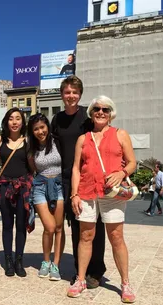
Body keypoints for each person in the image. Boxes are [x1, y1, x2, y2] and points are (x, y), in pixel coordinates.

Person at [67, 95, 137, 303]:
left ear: (110, 114)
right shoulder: (83, 138)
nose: (100, 112)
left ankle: (125, 283)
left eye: (105, 109)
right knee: (86, 237)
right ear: (91, 112)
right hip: (87, 191)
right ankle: (80, 279)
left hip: (111, 193)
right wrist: (74, 194)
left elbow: (132, 162)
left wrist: (122, 172)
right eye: (97, 108)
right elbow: (76, 169)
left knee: (116, 237)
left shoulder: (120, 134)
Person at [51, 75, 106, 288]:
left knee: (95, 226)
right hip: (66, 178)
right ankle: (79, 269)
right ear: (62, 95)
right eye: (67, 92)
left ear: (80, 94)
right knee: (76, 225)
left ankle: (96, 270)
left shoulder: (88, 117)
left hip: (89, 177)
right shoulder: (57, 119)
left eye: (74, 92)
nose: (71, 96)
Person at [0, 107, 33, 277]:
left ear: (22, 122)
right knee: (7, 225)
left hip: (22, 187)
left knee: (20, 226)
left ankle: (19, 260)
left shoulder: (28, 142)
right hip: (4, 186)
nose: (15, 122)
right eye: (11, 118)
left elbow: (32, 166)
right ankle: (8, 260)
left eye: (18, 118)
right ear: (6, 122)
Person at [27, 113, 64, 281]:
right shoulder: (31, 148)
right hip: (40, 186)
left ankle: (55, 264)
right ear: (32, 131)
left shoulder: (58, 142)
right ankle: (45, 261)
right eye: (36, 129)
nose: (40, 131)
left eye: (42, 127)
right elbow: (33, 169)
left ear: (47, 127)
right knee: (49, 227)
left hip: (59, 186)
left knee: (58, 228)